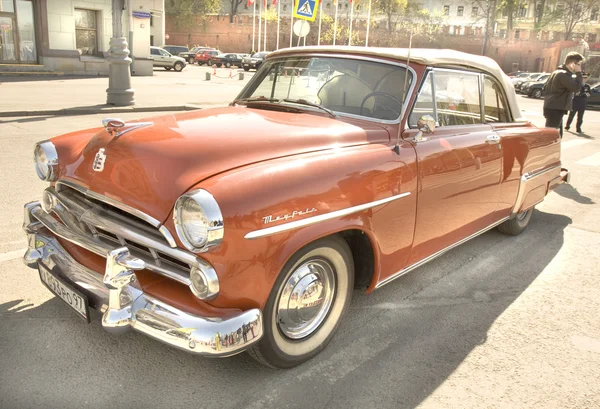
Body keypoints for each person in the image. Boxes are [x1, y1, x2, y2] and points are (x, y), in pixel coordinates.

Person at [543, 51, 585, 137]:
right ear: (572, 64)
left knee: (556, 134)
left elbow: (544, 88)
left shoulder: (557, 72)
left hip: (553, 106)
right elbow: (576, 88)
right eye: (578, 64)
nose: (579, 67)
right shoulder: (563, 74)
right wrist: (578, 73)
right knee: (552, 135)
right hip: (556, 108)